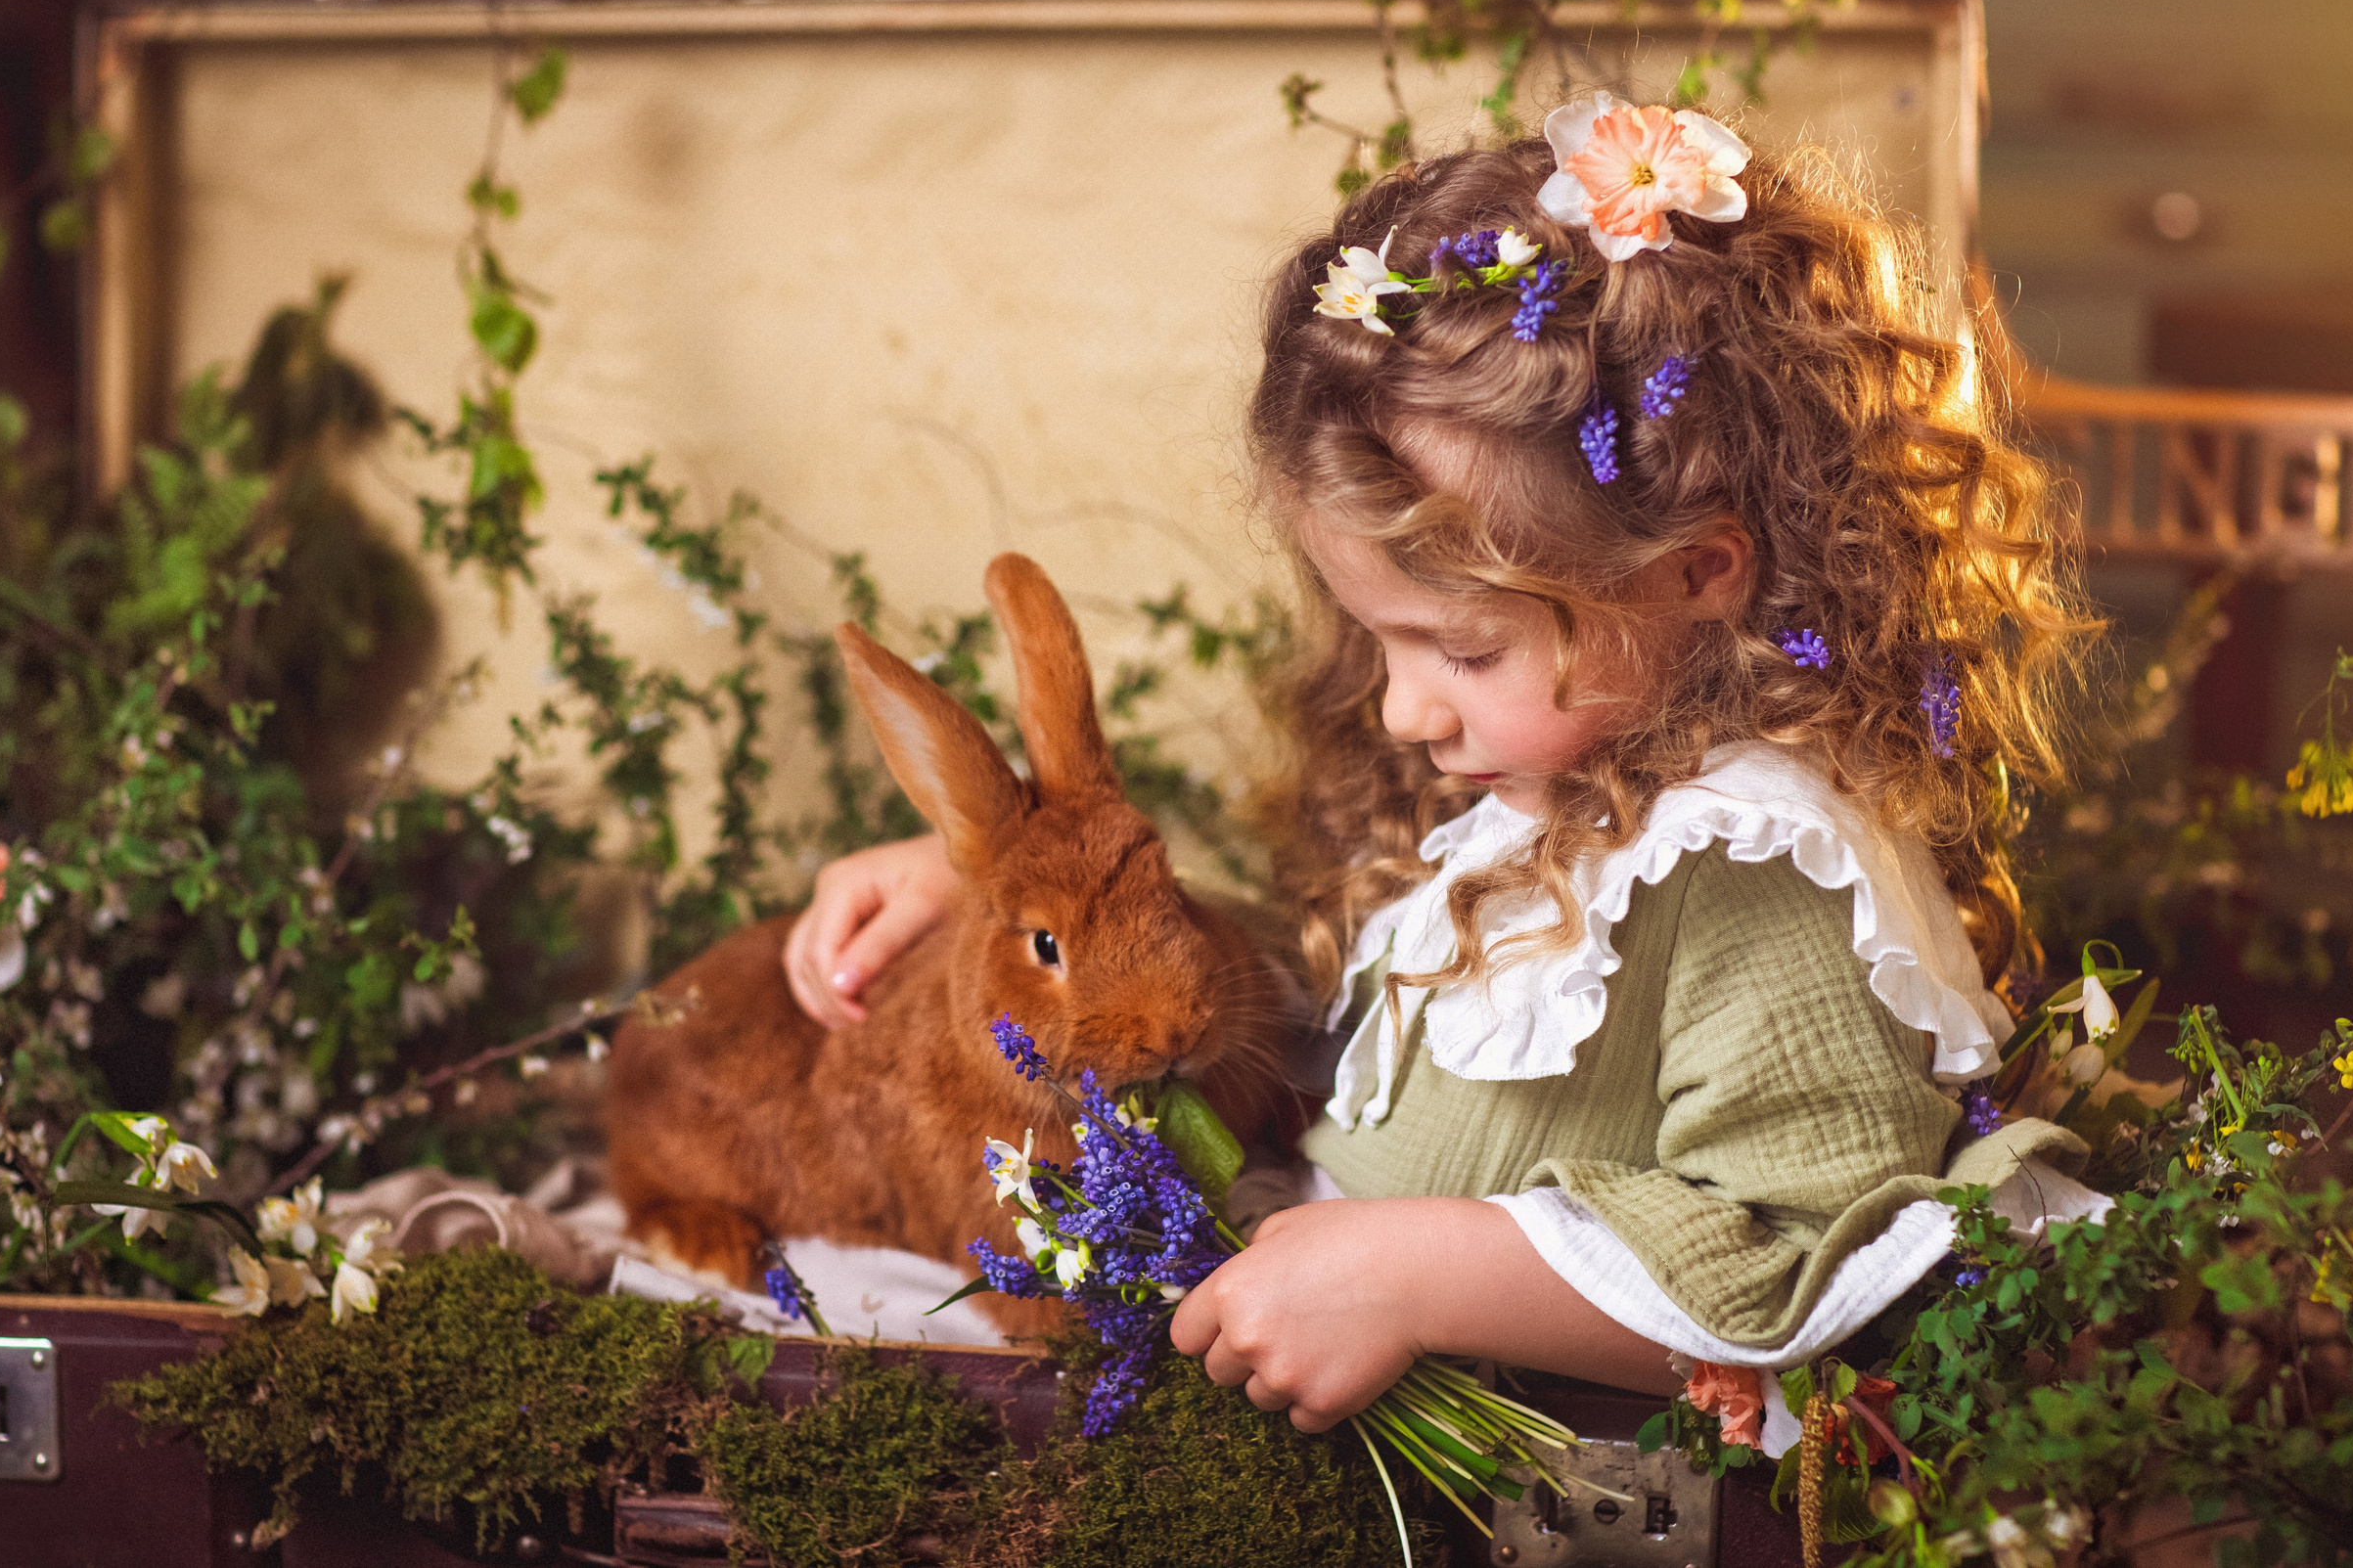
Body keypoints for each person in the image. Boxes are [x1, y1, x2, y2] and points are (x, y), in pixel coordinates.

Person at [781, 95, 2104, 1449]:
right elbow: (1383, 1035)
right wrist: (1005, 905)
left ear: (1696, 572)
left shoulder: (1753, 865)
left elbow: (1813, 1267)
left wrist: (1409, 1279)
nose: (1403, 705)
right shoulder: (1546, 784)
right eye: (1374, 636)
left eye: (1460, 649)